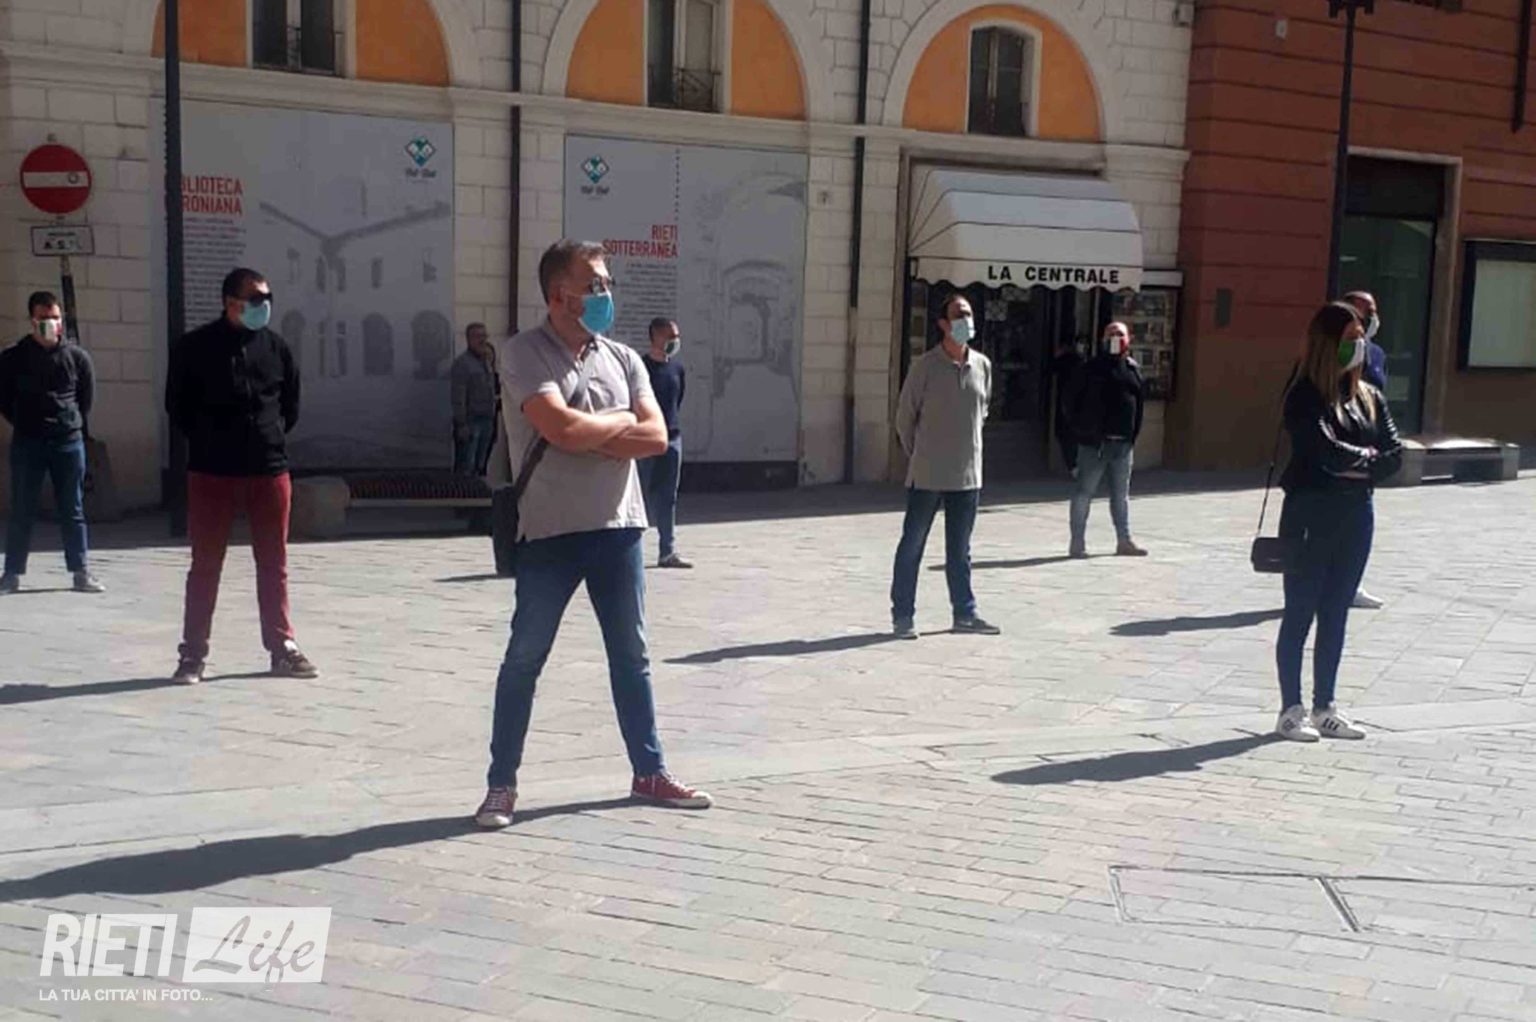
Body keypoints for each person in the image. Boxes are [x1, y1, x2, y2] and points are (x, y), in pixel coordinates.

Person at [475, 240, 712, 829]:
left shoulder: (624, 359)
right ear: (561, 295)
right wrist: (616, 425)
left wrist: (595, 432)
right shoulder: (524, 353)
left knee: (632, 657)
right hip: (549, 531)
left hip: (620, 529)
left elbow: (654, 437)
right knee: (524, 658)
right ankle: (501, 785)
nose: (607, 293)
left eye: (606, 282)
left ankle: (649, 771)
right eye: (596, 284)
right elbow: (558, 427)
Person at [165, 268, 318, 686]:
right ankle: (193, 654)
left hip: (268, 470)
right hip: (212, 472)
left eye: (267, 299)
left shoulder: (277, 347)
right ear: (230, 303)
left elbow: (291, 405)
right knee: (205, 565)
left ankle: (282, 647)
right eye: (255, 299)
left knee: (274, 563)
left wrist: (269, 438)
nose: (263, 306)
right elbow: (177, 407)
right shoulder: (194, 348)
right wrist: (210, 441)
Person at [1273, 301, 1402, 742]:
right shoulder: (1304, 395)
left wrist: (1358, 464)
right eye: (1349, 339)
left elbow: (1394, 455)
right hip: (1311, 512)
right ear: (1327, 342)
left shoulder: (1369, 396)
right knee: (1300, 610)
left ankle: (1325, 705)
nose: (1358, 346)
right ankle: (1290, 709)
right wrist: (1366, 458)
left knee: (1336, 611)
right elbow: (1322, 452)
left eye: (1361, 338)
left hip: (1357, 512)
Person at [889, 294, 1001, 641]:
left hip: (968, 477)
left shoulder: (982, 365)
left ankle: (964, 613)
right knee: (912, 545)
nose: (966, 321)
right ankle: (903, 615)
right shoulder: (924, 367)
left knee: (960, 550)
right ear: (942, 324)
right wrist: (920, 454)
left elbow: (982, 412)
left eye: (969, 314)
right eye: (959, 315)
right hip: (927, 475)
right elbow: (904, 418)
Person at [0, 291, 103, 595]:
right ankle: (11, 574)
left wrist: (70, 422)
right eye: (44, 318)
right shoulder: (13, 358)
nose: (51, 323)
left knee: (72, 509)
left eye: (55, 318)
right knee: (22, 509)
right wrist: (23, 421)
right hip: (28, 442)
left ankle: (80, 572)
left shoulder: (77, 357)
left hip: (67, 443)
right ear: (32, 320)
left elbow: (86, 399)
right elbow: (3, 398)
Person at [1068, 321, 1148, 559]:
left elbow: (1139, 404)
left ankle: (1124, 541)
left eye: (1120, 334)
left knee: (1121, 496)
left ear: (1129, 339)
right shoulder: (1090, 368)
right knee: (1084, 493)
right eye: (1111, 334)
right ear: (1102, 339)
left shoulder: (1132, 369)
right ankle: (1077, 543)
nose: (1115, 338)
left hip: (1123, 446)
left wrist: (1132, 436)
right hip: (1095, 446)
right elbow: (1070, 402)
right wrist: (1084, 432)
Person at [1342, 290, 1388, 610]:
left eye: (1373, 312)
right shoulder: (1331, 353)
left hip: (1367, 450)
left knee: (1359, 525)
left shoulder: (1377, 354)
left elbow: (1378, 397)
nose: (1371, 318)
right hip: (1339, 451)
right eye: (1365, 312)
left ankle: (1351, 585)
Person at [638, 317, 691, 569]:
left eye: (676, 336)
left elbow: (677, 400)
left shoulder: (677, 369)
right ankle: (632, 550)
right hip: (645, 439)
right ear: (656, 337)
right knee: (640, 494)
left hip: (672, 438)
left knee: (668, 496)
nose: (675, 341)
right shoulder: (641, 367)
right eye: (671, 336)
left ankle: (667, 551)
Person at [451, 322, 498, 477]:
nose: (482, 340)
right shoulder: (462, 364)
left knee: (481, 465)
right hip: (471, 421)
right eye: (478, 336)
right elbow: (458, 396)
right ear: (469, 339)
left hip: (487, 419)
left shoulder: (487, 362)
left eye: (484, 336)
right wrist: (461, 423)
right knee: (466, 466)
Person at [1051, 338, 1085, 478]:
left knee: (1065, 434)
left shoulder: (1067, 361)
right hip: (1077, 402)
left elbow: (1050, 369)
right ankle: (1075, 465)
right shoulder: (1080, 361)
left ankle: (1073, 466)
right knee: (1071, 434)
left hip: (1068, 400)